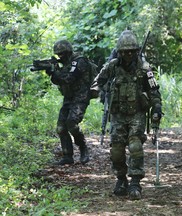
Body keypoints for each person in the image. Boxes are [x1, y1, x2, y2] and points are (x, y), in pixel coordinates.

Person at [90, 30, 162, 200]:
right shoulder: (112, 66)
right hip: (118, 114)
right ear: (119, 52)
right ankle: (121, 179)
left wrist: (157, 109)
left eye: (132, 51)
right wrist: (97, 90)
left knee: (135, 146)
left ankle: (135, 182)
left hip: (137, 113)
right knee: (116, 150)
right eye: (125, 51)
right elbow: (97, 82)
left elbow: (154, 91)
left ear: (136, 51)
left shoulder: (144, 69)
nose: (128, 55)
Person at [46, 39, 91, 165]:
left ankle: (83, 147)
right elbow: (58, 81)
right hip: (69, 98)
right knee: (61, 127)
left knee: (71, 122)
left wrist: (55, 71)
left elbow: (69, 78)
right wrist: (52, 71)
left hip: (81, 97)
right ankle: (67, 155)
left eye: (62, 54)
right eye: (58, 54)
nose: (60, 56)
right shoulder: (65, 64)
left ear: (69, 52)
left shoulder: (79, 61)